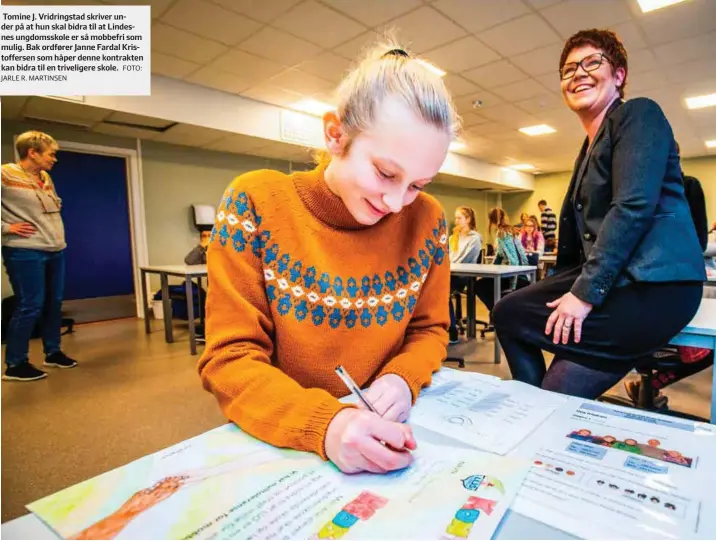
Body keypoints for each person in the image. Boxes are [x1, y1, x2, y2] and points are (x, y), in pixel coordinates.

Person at [197, 39, 459, 475]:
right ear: (336, 134)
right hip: (285, 440)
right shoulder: (256, 200)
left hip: (386, 426)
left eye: (417, 184)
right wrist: (328, 424)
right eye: (385, 173)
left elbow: (430, 329)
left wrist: (402, 377)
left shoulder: (427, 219)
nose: (397, 202)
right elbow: (230, 359)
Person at [491, 29, 705, 399]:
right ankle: (534, 407)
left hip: (654, 286)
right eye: (569, 69)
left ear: (619, 75)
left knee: (558, 389)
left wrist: (583, 295)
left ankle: (540, 410)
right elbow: (577, 242)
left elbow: (632, 206)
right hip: (616, 280)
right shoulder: (586, 148)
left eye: (592, 63)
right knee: (507, 311)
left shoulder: (639, 114)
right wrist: (559, 287)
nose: (578, 73)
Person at [1, 131, 78, 382]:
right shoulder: (5, 174)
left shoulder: (45, 177)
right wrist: (5, 228)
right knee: (29, 305)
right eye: (51, 154)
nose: (54, 159)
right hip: (25, 250)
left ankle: (53, 352)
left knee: (53, 303)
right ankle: (15, 363)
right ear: (32, 152)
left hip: (54, 248)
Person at [474, 208, 530, 314]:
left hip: (517, 278)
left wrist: (512, 287)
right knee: (484, 283)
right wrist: (489, 271)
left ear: (491, 221)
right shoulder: (510, 231)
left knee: (480, 286)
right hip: (521, 275)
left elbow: (514, 262)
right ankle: (498, 311)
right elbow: (500, 256)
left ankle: (497, 312)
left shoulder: (503, 233)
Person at [448, 206, 482, 343]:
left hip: (462, 275)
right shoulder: (453, 237)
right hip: (450, 273)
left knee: (440, 291)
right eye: (456, 218)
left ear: (468, 219)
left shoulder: (475, 239)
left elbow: (465, 259)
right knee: (434, 290)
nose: (456, 221)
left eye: (459, 218)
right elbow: (447, 256)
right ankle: (448, 326)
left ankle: (452, 330)